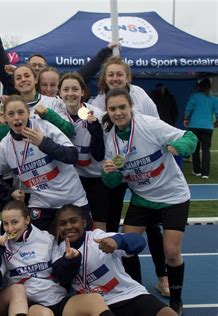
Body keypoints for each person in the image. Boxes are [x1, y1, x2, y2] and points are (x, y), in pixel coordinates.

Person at [101, 88, 198, 315]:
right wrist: (109, 173)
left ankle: (176, 300)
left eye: (122, 107)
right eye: (113, 109)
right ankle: (136, 292)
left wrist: (180, 147)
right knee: (125, 248)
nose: (118, 113)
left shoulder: (149, 125)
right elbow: (113, 182)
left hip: (173, 196)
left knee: (171, 252)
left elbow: (189, 136)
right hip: (143, 198)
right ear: (107, 111)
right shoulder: (111, 140)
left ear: (130, 107)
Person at [0, 200, 114, 316]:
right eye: (5, 223)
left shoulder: (46, 238)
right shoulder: (0, 244)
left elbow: (62, 276)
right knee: (44, 313)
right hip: (29, 304)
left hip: (56, 298)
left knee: (94, 300)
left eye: (15, 222)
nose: (10, 228)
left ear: (27, 220)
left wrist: (70, 261)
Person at [0, 95, 91, 231]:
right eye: (11, 114)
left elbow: (72, 156)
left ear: (28, 113)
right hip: (41, 203)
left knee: (78, 247)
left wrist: (43, 143)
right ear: (5, 118)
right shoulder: (6, 145)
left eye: (20, 112)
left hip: (71, 199)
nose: (17, 118)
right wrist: (9, 192)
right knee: (35, 245)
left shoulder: (44, 127)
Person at [52, 204, 176, 316]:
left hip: (128, 294)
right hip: (95, 305)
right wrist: (71, 261)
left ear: (84, 222)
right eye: (62, 224)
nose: (68, 227)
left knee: (168, 314)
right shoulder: (58, 251)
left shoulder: (98, 238)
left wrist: (118, 242)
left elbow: (139, 242)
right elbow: (62, 277)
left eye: (73, 221)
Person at [0, 9, 114, 95]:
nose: (36, 67)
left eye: (40, 65)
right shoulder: (19, 88)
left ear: (46, 69)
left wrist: (106, 51)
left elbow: (84, 73)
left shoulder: (59, 89)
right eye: (33, 65)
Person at [58, 72, 107, 230]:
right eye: (66, 89)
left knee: (99, 226)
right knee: (71, 224)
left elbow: (99, 155)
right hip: (71, 178)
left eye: (75, 89)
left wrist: (95, 130)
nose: (70, 93)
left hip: (96, 177)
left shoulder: (97, 115)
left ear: (82, 92)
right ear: (60, 93)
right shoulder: (56, 115)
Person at [184, 78, 218, 179]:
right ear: (209, 87)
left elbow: (188, 109)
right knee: (206, 150)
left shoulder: (194, 97)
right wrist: (217, 121)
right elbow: (217, 112)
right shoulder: (214, 99)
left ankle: (196, 170)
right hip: (207, 127)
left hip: (194, 126)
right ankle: (205, 173)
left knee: (195, 148)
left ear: (199, 87)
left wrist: (185, 118)